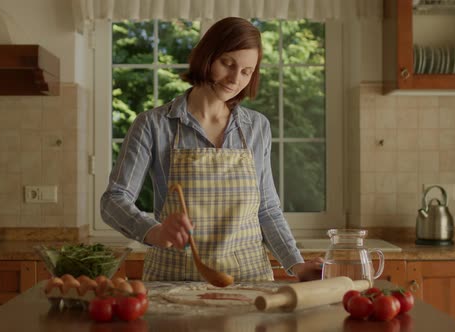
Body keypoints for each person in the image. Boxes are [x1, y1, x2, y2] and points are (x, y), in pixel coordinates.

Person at [101, 17, 323, 282]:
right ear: (207, 57)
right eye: (228, 64)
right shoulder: (154, 125)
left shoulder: (256, 127)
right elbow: (113, 200)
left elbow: (267, 209)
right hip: (174, 281)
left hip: (249, 282)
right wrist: (154, 231)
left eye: (246, 71)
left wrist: (295, 264)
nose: (234, 79)